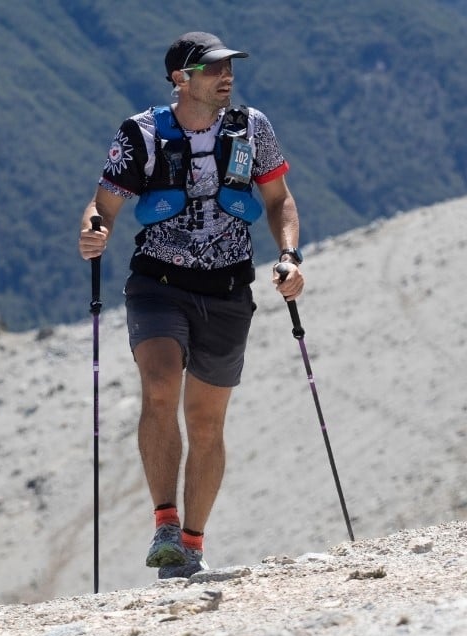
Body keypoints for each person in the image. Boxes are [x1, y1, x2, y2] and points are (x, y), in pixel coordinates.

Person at [78, 31, 304, 578]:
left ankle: (191, 544)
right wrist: (93, 230)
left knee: (206, 423)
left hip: (229, 289)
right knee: (159, 387)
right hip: (157, 282)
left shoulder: (254, 128)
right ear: (182, 77)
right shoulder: (142, 133)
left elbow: (278, 200)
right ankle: (165, 523)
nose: (227, 76)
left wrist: (290, 256)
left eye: (230, 67)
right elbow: (102, 202)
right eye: (214, 68)